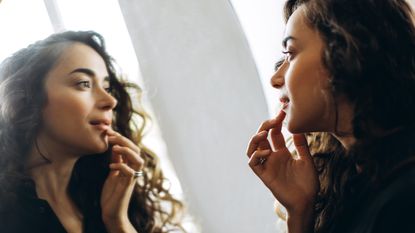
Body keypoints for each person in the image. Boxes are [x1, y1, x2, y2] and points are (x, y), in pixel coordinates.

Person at [246, 0, 415, 233]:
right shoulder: (353, 185)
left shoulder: (403, 199)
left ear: (346, 53)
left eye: (290, 54)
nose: (275, 79)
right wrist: (300, 213)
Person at [0, 31, 185, 233]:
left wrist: (118, 222)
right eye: (83, 83)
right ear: (24, 98)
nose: (111, 101)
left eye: (107, 87)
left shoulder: (108, 198)